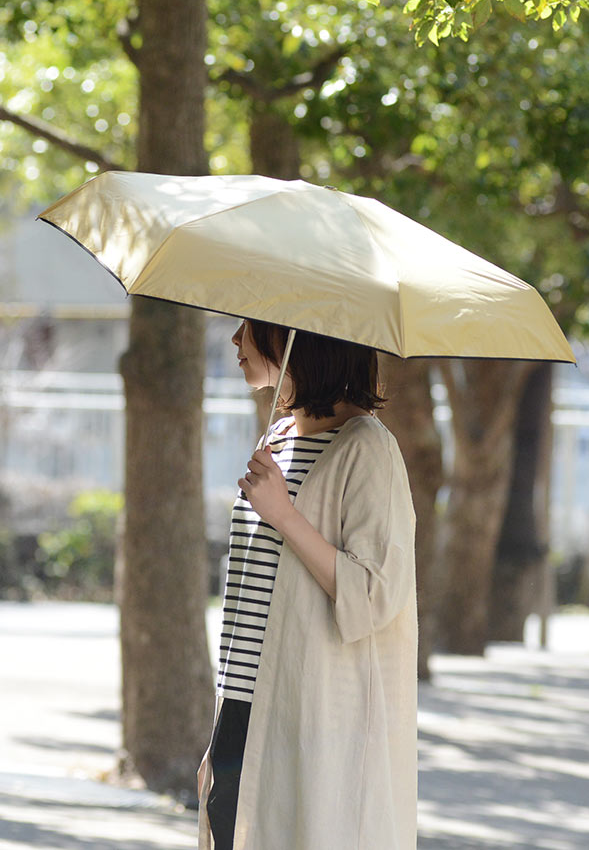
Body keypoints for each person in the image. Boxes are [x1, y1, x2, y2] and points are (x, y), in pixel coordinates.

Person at [197, 318, 418, 850]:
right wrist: (222, 724)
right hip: (242, 709)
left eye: (249, 326)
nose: (235, 340)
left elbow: (375, 593)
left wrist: (285, 516)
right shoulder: (278, 435)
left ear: (297, 338)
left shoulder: (366, 447)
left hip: (311, 719)